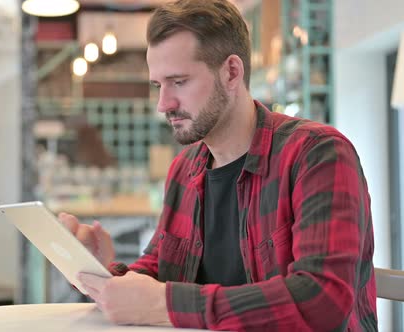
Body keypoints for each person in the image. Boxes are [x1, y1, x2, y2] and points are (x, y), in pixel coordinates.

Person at [59, 0, 377, 330]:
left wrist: (167, 305)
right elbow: (161, 269)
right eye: (158, 85)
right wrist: (102, 275)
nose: (163, 104)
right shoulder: (184, 169)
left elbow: (322, 300)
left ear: (231, 72)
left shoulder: (317, 154)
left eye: (179, 82)